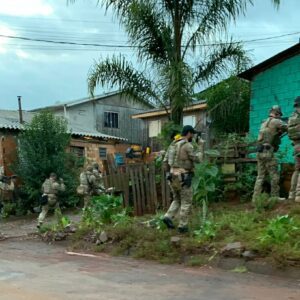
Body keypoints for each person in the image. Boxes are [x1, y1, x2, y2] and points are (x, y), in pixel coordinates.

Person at [163, 125, 204, 233]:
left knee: (177, 199)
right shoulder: (187, 146)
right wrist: (200, 146)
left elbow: (165, 161)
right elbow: (198, 159)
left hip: (172, 176)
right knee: (186, 201)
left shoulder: (173, 144)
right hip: (183, 177)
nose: (193, 136)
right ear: (189, 133)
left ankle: (168, 216)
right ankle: (183, 226)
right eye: (192, 134)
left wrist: (169, 173)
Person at [252, 105, 287, 202]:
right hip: (268, 151)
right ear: (277, 113)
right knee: (274, 175)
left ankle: (255, 198)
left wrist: (278, 133)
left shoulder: (264, 122)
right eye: (279, 115)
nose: (280, 116)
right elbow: (288, 127)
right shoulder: (276, 121)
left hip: (259, 151)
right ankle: (274, 197)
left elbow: (269, 134)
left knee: (260, 176)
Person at [287, 96, 300, 203]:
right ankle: (298, 196)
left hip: (295, 146)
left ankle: (291, 194)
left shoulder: (292, 116)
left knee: (297, 170)